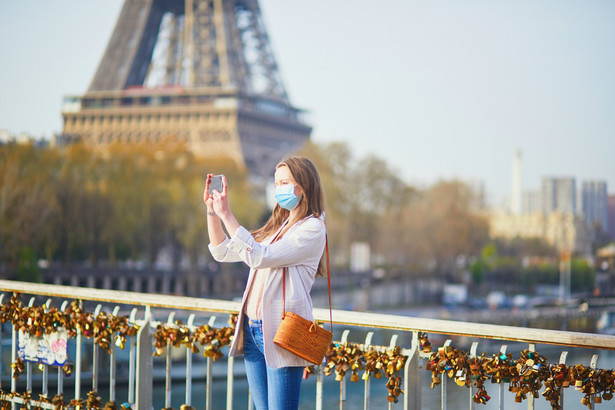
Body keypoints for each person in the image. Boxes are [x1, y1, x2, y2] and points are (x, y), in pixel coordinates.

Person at [203, 156, 327, 410]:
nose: (278, 187)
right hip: (252, 330)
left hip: (282, 332)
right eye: (276, 182)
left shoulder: (312, 228)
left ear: (302, 186)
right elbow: (222, 252)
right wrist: (213, 213)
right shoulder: (278, 226)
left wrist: (227, 214)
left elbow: (258, 257)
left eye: (284, 182)